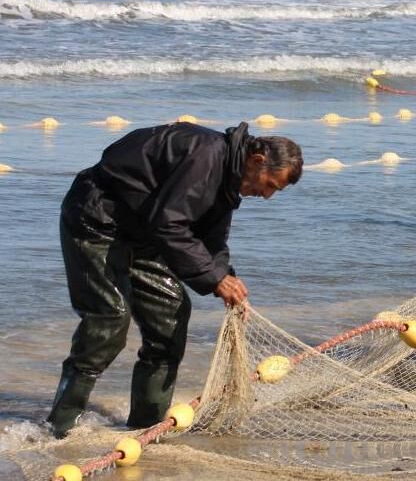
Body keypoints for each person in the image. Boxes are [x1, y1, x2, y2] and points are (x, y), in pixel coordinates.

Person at [47, 121, 303, 438]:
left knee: (170, 315)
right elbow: (169, 225)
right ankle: (58, 430)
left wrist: (225, 278)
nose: (266, 196)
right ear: (258, 160)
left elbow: (211, 239)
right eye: (270, 186)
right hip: (97, 220)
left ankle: (146, 427)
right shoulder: (207, 157)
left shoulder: (228, 176)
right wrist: (212, 279)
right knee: (109, 320)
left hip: (143, 232)